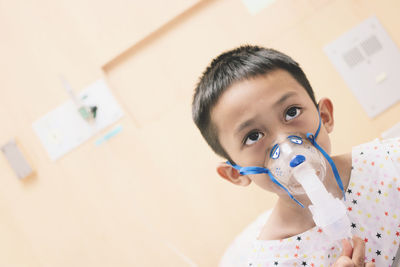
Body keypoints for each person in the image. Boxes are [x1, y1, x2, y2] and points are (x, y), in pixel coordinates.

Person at [192, 45, 400, 266]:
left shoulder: (390, 164)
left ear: (324, 116)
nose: (286, 145)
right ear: (236, 173)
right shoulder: (273, 261)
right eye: (253, 136)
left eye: (291, 112)